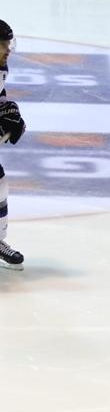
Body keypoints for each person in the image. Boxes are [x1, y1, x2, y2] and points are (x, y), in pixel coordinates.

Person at [0, 19, 26, 271]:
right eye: (2, 44)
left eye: (9, 44)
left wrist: (10, 111)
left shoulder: (1, 66)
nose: (8, 49)